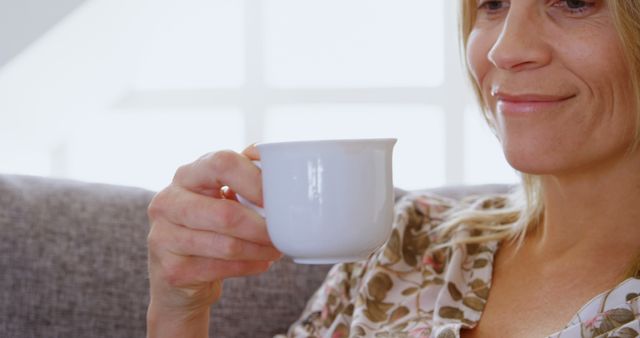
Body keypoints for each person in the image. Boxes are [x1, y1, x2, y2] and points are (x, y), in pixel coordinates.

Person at [145, 0, 640, 337]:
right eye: (492, 2)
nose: (504, 50)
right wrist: (179, 311)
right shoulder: (407, 243)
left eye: (576, 1)